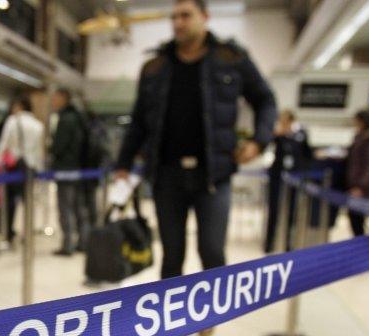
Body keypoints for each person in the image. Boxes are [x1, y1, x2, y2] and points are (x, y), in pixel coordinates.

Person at [116, 0, 276, 279]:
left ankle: (210, 317)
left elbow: (265, 100)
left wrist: (259, 141)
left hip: (213, 175)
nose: (178, 22)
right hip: (167, 175)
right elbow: (139, 120)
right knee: (171, 254)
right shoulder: (155, 67)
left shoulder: (231, 59)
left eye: (186, 16)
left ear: (205, 17)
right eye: (174, 17)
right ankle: (171, 319)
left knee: (212, 251)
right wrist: (123, 163)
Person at [0, 94, 44, 243]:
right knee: (28, 201)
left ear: (19, 106)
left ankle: (7, 232)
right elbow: (39, 151)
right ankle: (27, 232)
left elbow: (3, 144)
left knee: (9, 201)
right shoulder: (38, 125)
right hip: (31, 166)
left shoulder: (13, 121)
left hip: (14, 166)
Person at [264, 109, 311, 253]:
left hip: (294, 178)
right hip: (277, 176)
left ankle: (288, 245)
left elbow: (307, 154)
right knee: (274, 210)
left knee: (292, 212)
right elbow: (267, 143)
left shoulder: (301, 134)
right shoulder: (278, 134)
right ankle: (269, 243)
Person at [50, 88, 90, 256]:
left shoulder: (65, 119)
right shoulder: (79, 117)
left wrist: (53, 152)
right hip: (79, 170)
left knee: (65, 207)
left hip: (66, 169)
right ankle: (83, 241)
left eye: (55, 97)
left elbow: (59, 146)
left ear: (63, 98)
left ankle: (67, 245)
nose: (53, 101)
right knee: (79, 207)